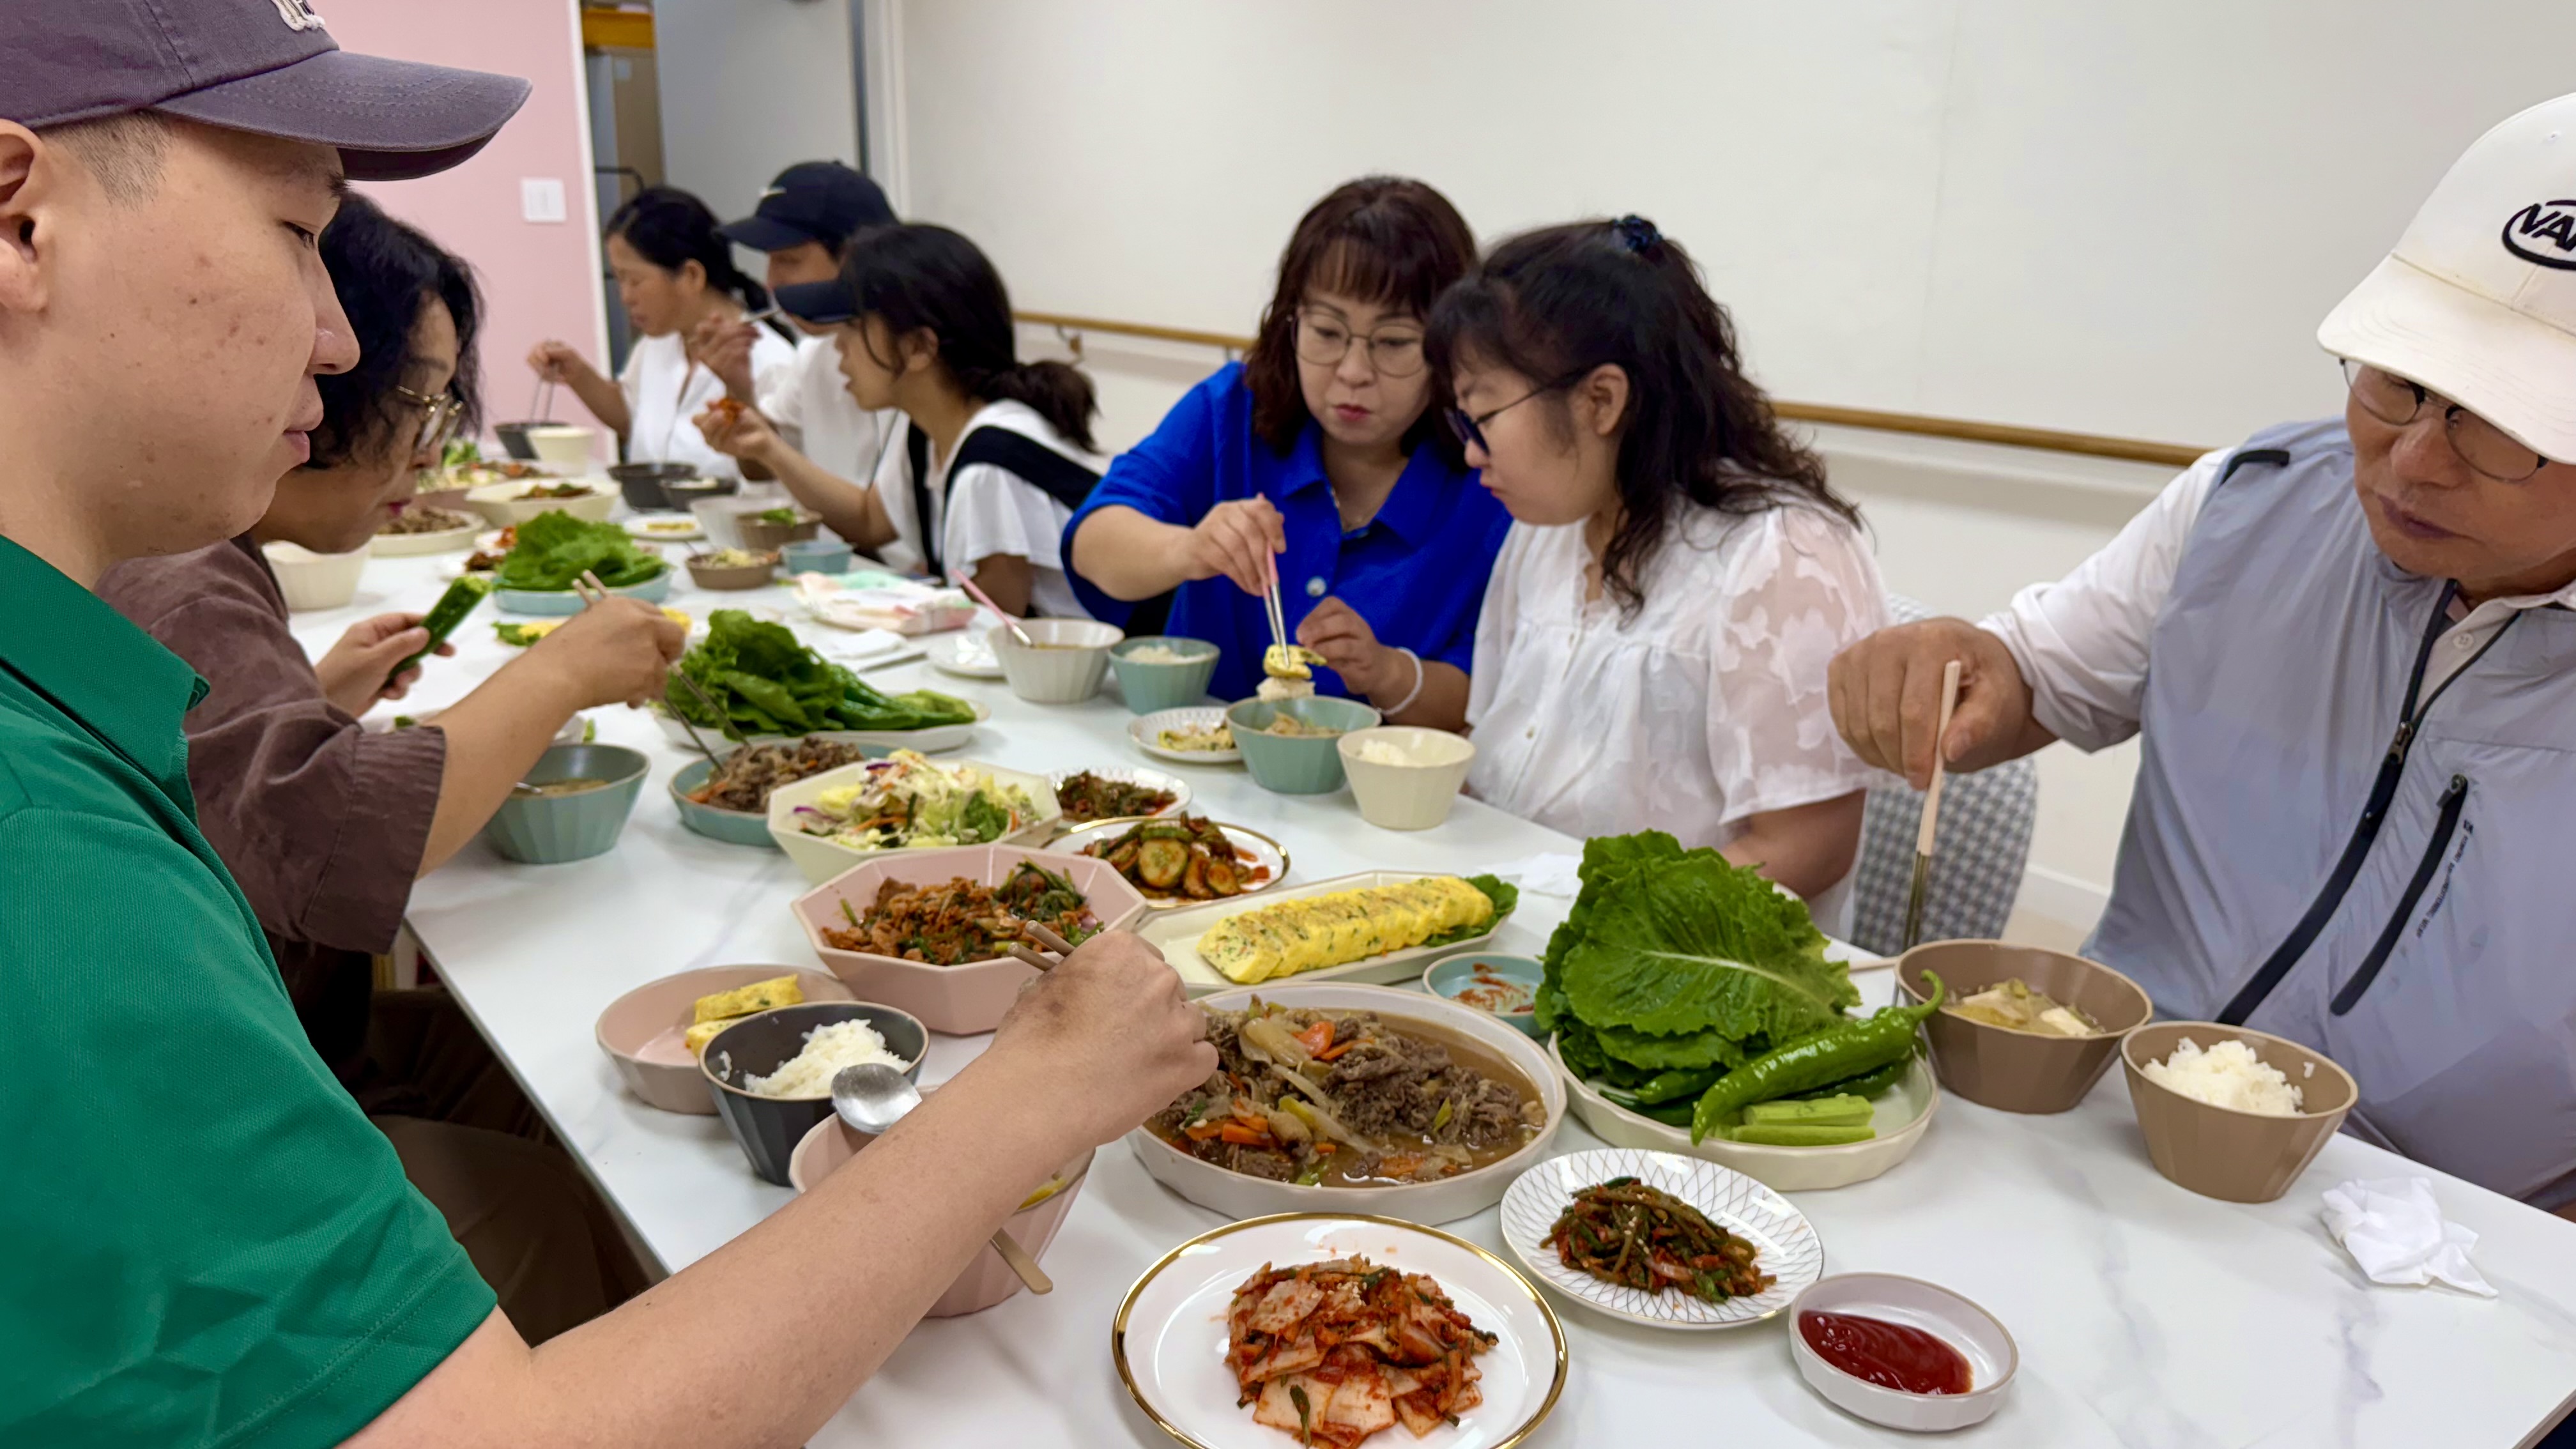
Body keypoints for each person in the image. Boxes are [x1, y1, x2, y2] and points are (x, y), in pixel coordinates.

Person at [0, 8, 1212, 1448]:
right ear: (20, 224)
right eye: (295, 230)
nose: (334, 338)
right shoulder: (44, 861)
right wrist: (1032, 1094)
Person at [1827, 94, 2576, 1211]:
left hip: (2448, 1233)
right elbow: (2033, 674)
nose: (2412, 460)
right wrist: (1959, 665)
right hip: (2105, 1121)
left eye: (2501, 425)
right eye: (2400, 381)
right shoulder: (2249, 503)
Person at [95, 193, 683, 1340]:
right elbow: (334, 836)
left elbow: (204, 772)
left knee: (531, 1064)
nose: (430, 447)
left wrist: (307, 702)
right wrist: (560, 671)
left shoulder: (194, 559)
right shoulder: (182, 574)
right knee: (545, 1190)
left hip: (267, 1041)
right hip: (201, 1131)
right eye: (420, 401)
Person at [1430, 217, 1888, 923]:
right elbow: (1497, 759)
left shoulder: (1780, 555)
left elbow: (1809, 848)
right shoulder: (1546, 531)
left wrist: (1602, 933)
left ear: (1602, 400)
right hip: (1525, 933)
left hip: (1681, 968)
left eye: (1481, 419)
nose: (1470, 454)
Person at [1063, 176, 1512, 719]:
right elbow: (1093, 543)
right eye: (1326, 333)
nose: (1352, 373)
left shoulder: (1487, 478)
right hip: (1194, 768)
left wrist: (1388, 672)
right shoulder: (1233, 409)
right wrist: (1189, 549)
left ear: (1445, 348)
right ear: (1290, 324)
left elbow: (1484, 698)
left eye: (1393, 343)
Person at [709, 222, 1108, 617]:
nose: (839, 346)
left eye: (853, 326)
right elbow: (869, 522)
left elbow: (992, 626)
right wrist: (769, 449)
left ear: (919, 346)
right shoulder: (926, 433)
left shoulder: (990, 461)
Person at [525, 186, 795, 480]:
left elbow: (773, 475)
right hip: (651, 523)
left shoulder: (771, 360)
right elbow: (634, 419)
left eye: (635, 280)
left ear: (692, 275)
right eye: (619, 279)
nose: (625, 297)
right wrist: (578, 374)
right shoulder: (657, 344)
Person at [694, 160, 900, 501]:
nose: (771, 282)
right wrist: (738, 387)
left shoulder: (924, 362)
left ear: (855, 257)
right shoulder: (814, 355)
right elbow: (762, 469)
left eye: (789, 260)